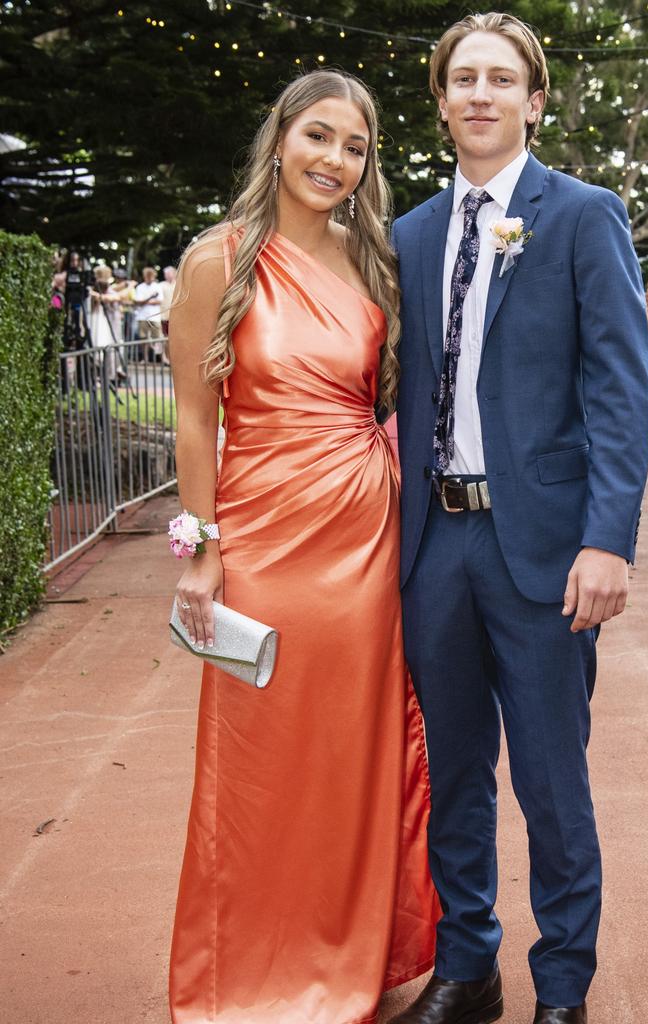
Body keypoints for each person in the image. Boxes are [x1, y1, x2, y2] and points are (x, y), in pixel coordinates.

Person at [391, 13, 648, 1024]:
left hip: (545, 548)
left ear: (534, 99)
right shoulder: (410, 232)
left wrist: (608, 538)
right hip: (436, 546)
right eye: (464, 78)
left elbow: (624, 391)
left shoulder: (585, 215)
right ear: (443, 98)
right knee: (454, 771)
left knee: (551, 780)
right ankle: (470, 969)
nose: (482, 94)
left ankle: (562, 990)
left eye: (503, 78)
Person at [167, 69, 439, 1024]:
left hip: (365, 546)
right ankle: (248, 979)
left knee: (351, 763)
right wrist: (199, 548)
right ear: (280, 137)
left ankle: (351, 963)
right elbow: (195, 423)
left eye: (355, 148)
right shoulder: (218, 259)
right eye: (319, 136)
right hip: (266, 545)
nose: (334, 160)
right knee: (257, 766)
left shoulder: (375, 264)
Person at [133, 266, 163, 360]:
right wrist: (150, 299)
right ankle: (145, 358)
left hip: (155, 317)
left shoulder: (157, 286)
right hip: (142, 316)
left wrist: (145, 301)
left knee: (157, 338)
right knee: (143, 339)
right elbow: (138, 301)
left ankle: (160, 358)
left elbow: (159, 300)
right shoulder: (140, 287)